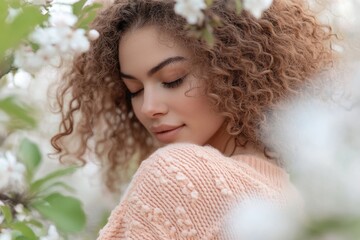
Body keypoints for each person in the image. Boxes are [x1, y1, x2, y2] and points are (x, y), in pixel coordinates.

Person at [51, 0, 335, 239]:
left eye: (172, 80)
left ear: (231, 67)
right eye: (134, 91)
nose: (148, 108)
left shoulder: (177, 172)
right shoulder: (294, 202)